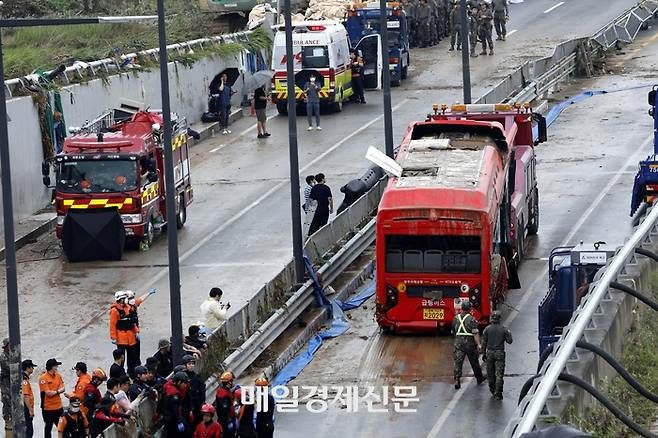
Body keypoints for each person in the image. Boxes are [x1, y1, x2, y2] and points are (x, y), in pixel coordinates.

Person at [452, 301, 486, 389]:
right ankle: (479, 378)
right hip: (469, 344)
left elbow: (453, 331)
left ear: (462, 308)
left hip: (458, 343)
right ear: (470, 309)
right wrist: (479, 344)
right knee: (474, 362)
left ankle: (456, 379)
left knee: (458, 362)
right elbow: (475, 333)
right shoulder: (472, 319)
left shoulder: (456, 318)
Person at [482, 310, 513, 400]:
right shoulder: (504, 329)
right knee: (499, 374)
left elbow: (483, 344)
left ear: (492, 318)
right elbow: (510, 341)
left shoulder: (487, 329)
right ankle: (498, 393)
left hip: (490, 353)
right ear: (499, 319)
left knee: (490, 374)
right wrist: (508, 333)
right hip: (499, 353)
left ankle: (492, 390)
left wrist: (483, 354)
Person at [109, 291, 141, 376]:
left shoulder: (128, 308)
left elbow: (133, 321)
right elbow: (113, 325)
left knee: (132, 359)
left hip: (131, 338)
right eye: (123, 299)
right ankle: (121, 375)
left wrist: (136, 331)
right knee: (121, 359)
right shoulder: (114, 311)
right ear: (120, 300)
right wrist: (113, 337)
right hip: (121, 339)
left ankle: (131, 374)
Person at [126, 287, 157, 371]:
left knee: (136, 353)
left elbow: (141, 299)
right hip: (130, 335)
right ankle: (132, 370)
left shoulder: (134, 305)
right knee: (131, 355)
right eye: (130, 298)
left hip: (135, 333)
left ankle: (137, 367)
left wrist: (149, 293)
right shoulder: (126, 310)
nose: (132, 300)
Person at [40, 358, 66, 438]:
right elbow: (48, 393)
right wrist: (58, 391)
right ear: (52, 367)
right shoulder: (43, 378)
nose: (57, 367)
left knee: (62, 427)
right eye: (56, 366)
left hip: (58, 407)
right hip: (48, 408)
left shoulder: (58, 376)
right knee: (48, 428)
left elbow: (63, 388)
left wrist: (55, 392)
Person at [162, 372, 192, 437]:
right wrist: (180, 421)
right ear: (179, 382)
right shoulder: (174, 394)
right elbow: (175, 411)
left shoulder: (168, 388)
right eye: (185, 383)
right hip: (173, 421)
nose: (185, 385)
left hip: (168, 419)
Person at [183, 355, 206, 428]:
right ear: (185, 365)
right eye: (189, 364)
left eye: (193, 364)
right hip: (186, 406)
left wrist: (202, 403)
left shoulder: (197, 377)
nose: (191, 366)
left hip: (197, 405)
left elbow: (202, 391)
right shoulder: (182, 377)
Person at [214, 371, 236, 438]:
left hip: (227, 419)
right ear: (229, 382)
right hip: (225, 421)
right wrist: (229, 420)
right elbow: (224, 410)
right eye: (232, 381)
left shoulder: (225, 391)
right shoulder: (223, 394)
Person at [22, 359, 37, 438]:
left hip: (26, 407)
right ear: (28, 368)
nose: (33, 369)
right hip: (26, 408)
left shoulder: (25, 378)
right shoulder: (24, 380)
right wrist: (30, 410)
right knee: (29, 431)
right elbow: (26, 395)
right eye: (32, 367)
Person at [0, 339, 10, 429]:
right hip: (5, 382)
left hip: (10, 381)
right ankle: (7, 421)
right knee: (6, 401)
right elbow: (9, 367)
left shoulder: (11, 354)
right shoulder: (3, 356)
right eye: (9, 345)